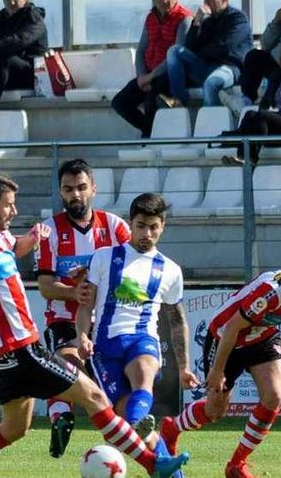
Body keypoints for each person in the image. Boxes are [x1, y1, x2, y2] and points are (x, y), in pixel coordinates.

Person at [0, 173, 189, 478]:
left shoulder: (0, 238)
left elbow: (15, 246)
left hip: (3, 351)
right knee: (94, 397)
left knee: (13, 429)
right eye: (8, 206)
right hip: (20, 345)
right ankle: (153, 464)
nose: (14, 211)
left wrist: (34, 239)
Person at [159, 244, 281, 478]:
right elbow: (233, 326)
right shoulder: (273, 291)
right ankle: (171, 429)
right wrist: (217, 370)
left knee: (274, 396)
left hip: (262, 336)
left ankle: (236, 464)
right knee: (215, 411)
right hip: (225, 336)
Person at [76, 193, 199, 467]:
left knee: (144, 374)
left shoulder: (170, 270)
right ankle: (157, 453)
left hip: (143, 339)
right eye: (141, 225)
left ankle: (137, 423)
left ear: (162, 226)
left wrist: (184, 367)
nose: (147, 233)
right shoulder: (104, 257)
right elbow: (85, 305)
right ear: (130, 223)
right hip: (104, 347)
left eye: (153, 227)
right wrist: (82, 336)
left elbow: (177, 320)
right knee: (132, 421)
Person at [35, 159, 132, 458]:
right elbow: (45, 286)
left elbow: (131, 271)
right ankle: (61, 417)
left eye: (81, 188)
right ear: (61, 193)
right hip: (63, 316)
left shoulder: (116, 227)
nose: (75, 195)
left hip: (106, 318)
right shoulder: (49, 231)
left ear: (93, 189)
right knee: (66, 362)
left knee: (117, 387)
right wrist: (75, 290)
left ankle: (133, 425)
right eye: (68, 189)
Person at [111, 0, 192, 138]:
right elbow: (141, 50)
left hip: (170, 74)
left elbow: (177, 55)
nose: (165, 1)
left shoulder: (184, 19)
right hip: (148, 73)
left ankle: (148, 138)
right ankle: (148, 130)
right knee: (120, 102)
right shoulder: (151, 18)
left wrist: (151, 77)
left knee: (151, 100)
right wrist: (142, 76)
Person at [221, 39, 281, 166]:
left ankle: (249, 157)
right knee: (250, 115)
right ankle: (241, 155)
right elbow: (268, 101)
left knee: (261, 116)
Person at [163, 0, 252, 107]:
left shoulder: (238, 19)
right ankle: (179, 100)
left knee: (211, 84)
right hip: (207, 66)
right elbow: (191, 47)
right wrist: (197, 21)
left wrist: (201, 52)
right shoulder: (208, 22)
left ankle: (212, 124)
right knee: (174, 51)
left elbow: (225, 47)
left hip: (230, 67)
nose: (206, 2)